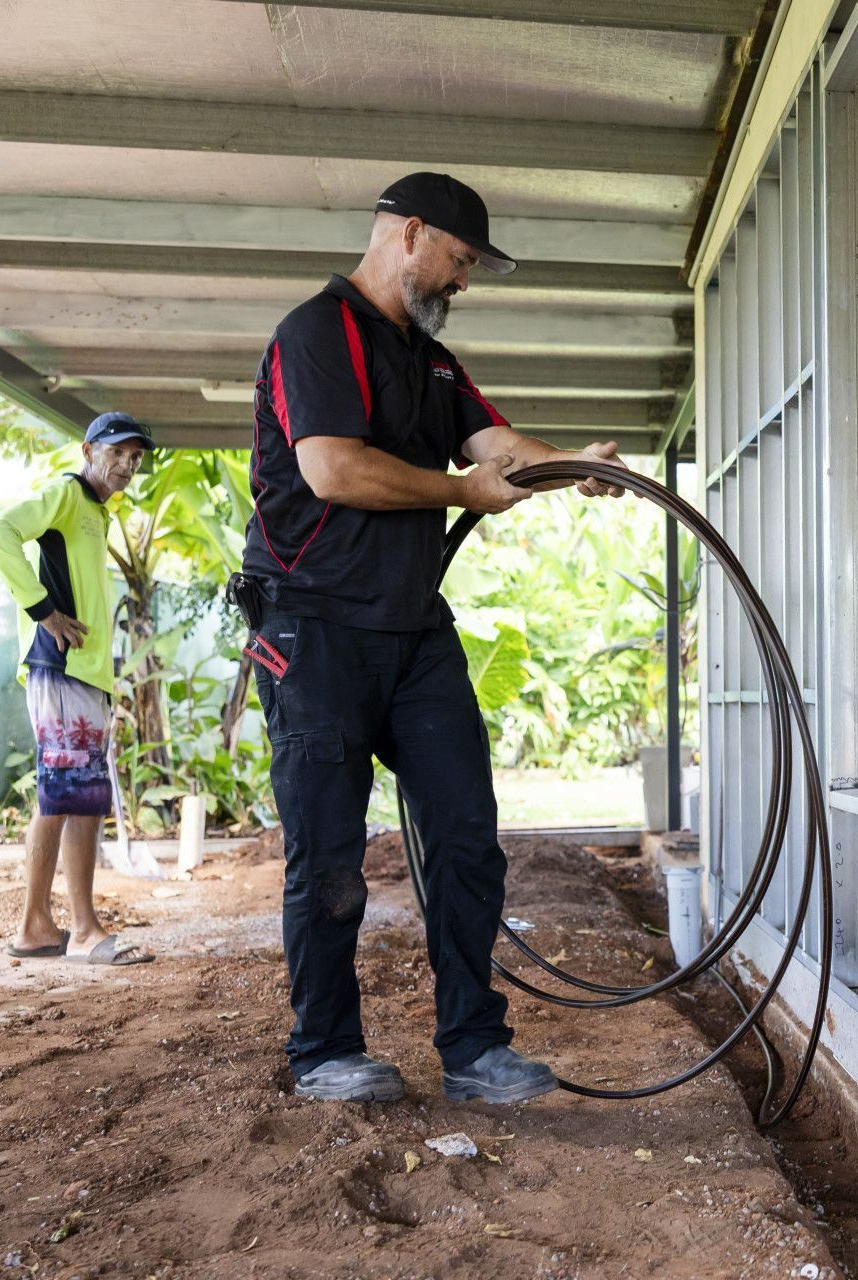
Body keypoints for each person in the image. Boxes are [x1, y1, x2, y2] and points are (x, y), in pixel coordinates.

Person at [237, 171, 628, 1104]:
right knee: (329, 854)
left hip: (414, 629)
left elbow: (496, 449)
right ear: (409, 234)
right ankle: (324, 1051)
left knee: (464, 834)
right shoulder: (315, 333)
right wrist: (461, 493)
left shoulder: (433, 360)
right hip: (315, 626)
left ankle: (473, 1049)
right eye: (459, 260)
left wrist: (574, 466)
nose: (465, 282)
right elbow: (331, 469)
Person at [0, 413, 156, 965]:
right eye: (118, 451)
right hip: (60, 667)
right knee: (75, 797)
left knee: (70, 797)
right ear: (87, 449)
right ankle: (82, 930)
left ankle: (37, 926)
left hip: (83, 675)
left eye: (136, 457)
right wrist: (43, 612)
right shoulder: (66, 495)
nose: (128, 464)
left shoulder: (95, 513)